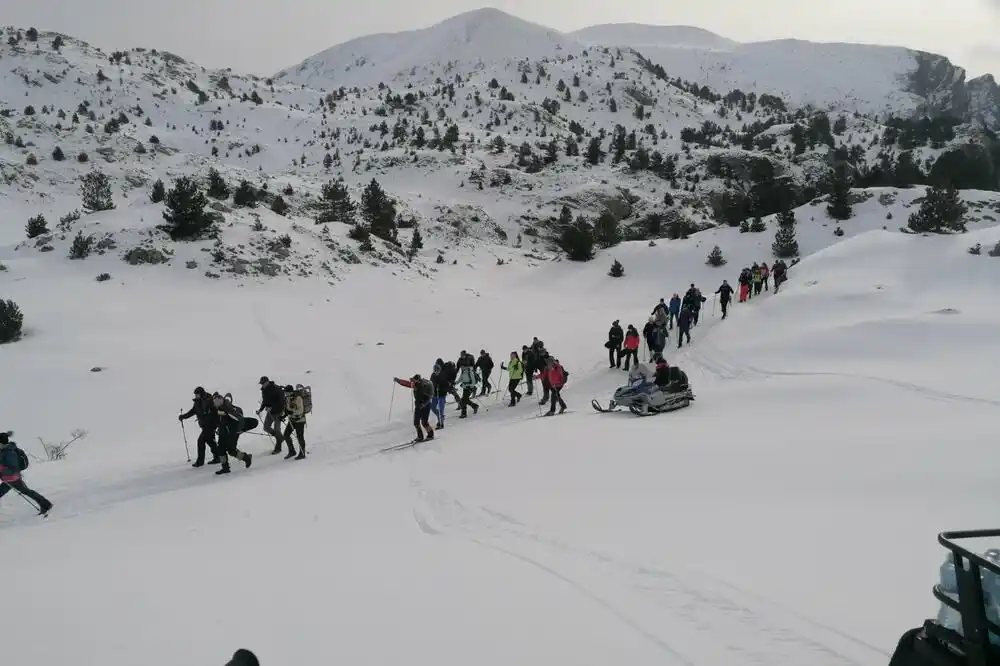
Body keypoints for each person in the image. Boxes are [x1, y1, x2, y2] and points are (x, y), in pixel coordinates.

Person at [0, 432, 52, 515]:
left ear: (2, 443)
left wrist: (2, 472)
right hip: (8, 479)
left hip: (13, 478)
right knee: (27, 492)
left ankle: (46, 504)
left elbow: (14, 468)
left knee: (27, 492)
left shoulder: (9, 452)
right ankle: (46, 504)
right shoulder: (4, 451)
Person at [179, 386, 221, 467]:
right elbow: (192, 411)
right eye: (195, 395)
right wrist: (183, 416)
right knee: (210, 441)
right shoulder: (197, 402)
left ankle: (200, 461)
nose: (196, 396)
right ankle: (218, 457)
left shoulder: (209, 400)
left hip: (211, 425)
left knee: (200, 441)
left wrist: (217, 424)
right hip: (204, 426)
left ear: (201, 393)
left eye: (197, 394)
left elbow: (216, 413)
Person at [214, 392, 253, 475]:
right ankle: (225, 468)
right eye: (215, 402)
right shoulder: (219, 408)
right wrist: (219, 428)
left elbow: (238, 419)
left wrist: (239, 429)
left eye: (217, 402)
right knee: (220, 449)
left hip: (232, 432)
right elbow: (221, 421)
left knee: (231, 450)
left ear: (222, 400)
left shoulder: (228, 408)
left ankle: (246, 458)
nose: (216, 404)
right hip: (223, 432)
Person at [393, 374, 435, 442]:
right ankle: (420, 437)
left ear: (418, 381)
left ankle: (431, 435)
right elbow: (407, 384)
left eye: (414, 381)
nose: (413, 383)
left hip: (426, 406)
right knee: (416, 422)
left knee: (424, 422)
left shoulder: (424, 386)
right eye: (413, 381)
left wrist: (423, 404)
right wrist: (398, 380)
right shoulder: (415, 384)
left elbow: (429, 398)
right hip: (418, 405)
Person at [256, 376, 286, 455]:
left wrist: (272, 408)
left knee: (277, 430)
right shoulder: (264, 390)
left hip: (278, 412)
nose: (262, 385)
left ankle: (278, 448)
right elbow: (264, 401)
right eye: (261, 384)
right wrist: (260, 409)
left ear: (267, 382)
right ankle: (280, 437)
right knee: (266, 427)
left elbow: (281, 402)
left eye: (263, 383)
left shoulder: (276, 389)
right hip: (270, 412)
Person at [280, 385, 307, 460]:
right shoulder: (288, 398)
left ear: (290, 392)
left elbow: (300, 411)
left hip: (300, 420)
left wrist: (290, 412)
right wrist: (283, 416)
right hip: (292, 420)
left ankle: (302, 453)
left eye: (286, 392)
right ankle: (292, 451)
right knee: (286, 435)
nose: (285, 393)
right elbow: (287, 409)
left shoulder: (298, 398)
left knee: (300, 437)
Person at [430, 359, 449, 429]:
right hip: (435, 394)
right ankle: (440, 417)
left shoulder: (443, 375)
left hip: (442, 395)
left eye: (437, 370)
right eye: (435, 370)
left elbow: (446, 384)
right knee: (433, 407)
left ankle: (441, 423)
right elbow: (431, 383)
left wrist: (441, 387)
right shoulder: (433, 376)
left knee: (441, 409)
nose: (436, 372)